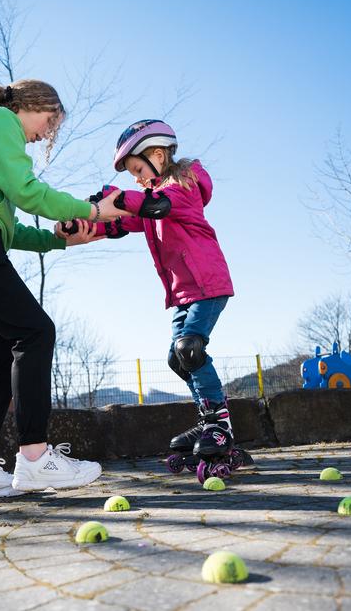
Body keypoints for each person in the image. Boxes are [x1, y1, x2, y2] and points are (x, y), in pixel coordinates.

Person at [0, 79, 128, 500]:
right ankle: (34, 458)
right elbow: (26, 192)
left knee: (1, 356)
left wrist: (61, 239)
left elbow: (8, 230)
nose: (45, 134)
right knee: (36, 332)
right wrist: (93, 210)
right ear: (32, 105)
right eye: (50, 122)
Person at [59, 119, 237, 464]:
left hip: (207, 284)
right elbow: (122, 222)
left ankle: (221, 425)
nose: (137, 178)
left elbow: (151, 205)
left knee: (191, 347)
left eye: (138, 169)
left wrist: (117, 197)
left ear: (158, 155)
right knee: (178, 358)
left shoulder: (183, 187)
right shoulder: (152, 198)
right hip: (184, 293)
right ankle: (206, 421)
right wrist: (83, 223)